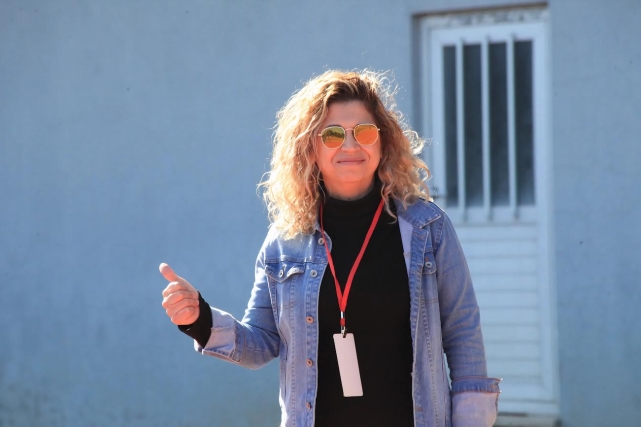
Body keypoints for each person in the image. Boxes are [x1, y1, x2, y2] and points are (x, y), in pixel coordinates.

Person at [160, 69, 500, 427]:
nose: (350, 146)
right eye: (334, 134)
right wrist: (199, 319)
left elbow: (463, 333)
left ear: (382, 141)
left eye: (364, 132)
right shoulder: (285, 241)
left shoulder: (428, 228)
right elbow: (260, 344)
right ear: (311, 147)